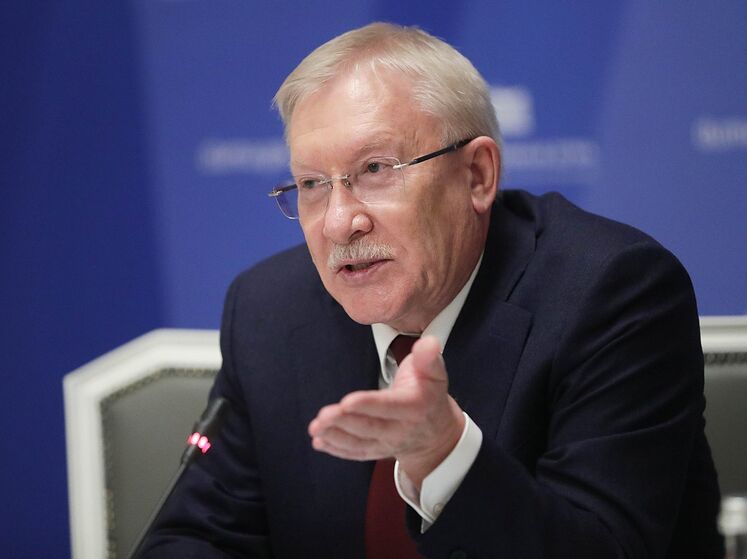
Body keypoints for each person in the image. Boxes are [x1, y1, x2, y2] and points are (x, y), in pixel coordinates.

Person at [140, 22, 723, 558]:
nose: (340, 222)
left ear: (477, 176)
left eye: (375, 170)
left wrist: (443, 455)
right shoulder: (269, 310)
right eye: (312, 184)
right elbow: (197, 537)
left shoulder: (613, 293)